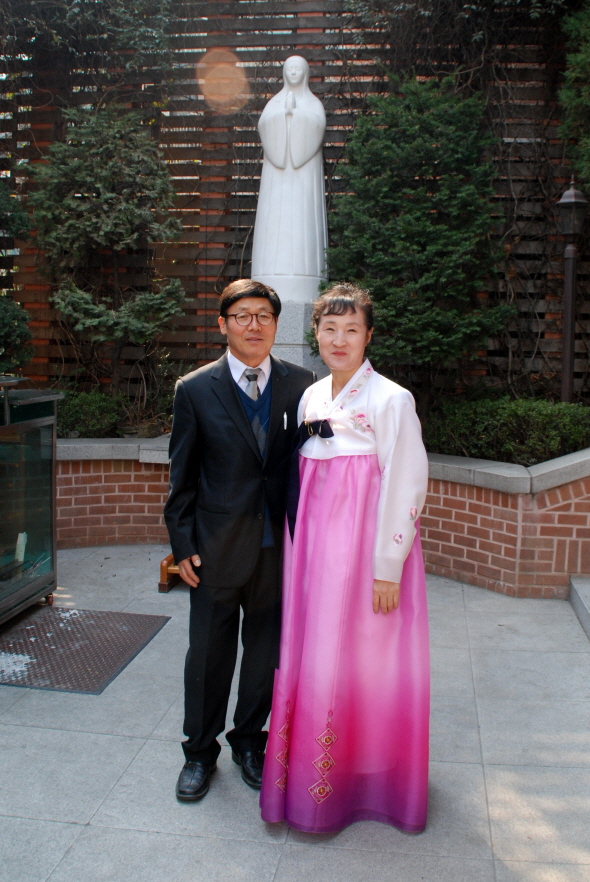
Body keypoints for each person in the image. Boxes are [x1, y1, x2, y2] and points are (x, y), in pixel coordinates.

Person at [260, 284, 430, 833]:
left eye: (352, 329)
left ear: (369, 336)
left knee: (364, 657)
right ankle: (312, 774)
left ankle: (366, 776)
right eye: (329, 329)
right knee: (316, 654)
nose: (340, 340)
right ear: (315, 334)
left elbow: (405, 484)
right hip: (312, 552)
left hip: (363, 557)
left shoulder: (391, 399)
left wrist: (388, 568)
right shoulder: (312, 397)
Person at [164, 279, 315, 802]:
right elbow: (181, 477)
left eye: (264, 316)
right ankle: (198, 753)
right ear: (223, 324)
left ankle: (250, 742)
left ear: (276, 324)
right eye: (243, 316)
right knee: (208, 655)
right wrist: (182, 544)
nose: (254, 325)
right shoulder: (194, 389)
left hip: (278, 548)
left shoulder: (302, 384)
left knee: (264, 655)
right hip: (215, 548)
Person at [251, 55, 328, 303]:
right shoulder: (274, 103)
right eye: (290, 68)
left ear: (305, 73)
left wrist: (297, 115)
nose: (293, 72)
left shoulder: (313, 103)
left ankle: (304, 282)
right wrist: (283, 115)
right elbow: (264, 126)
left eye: (298, 68)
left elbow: (317, 127)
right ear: (284, 73)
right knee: (273, 232)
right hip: (276, 183)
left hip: (304, 182)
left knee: (303, 229)